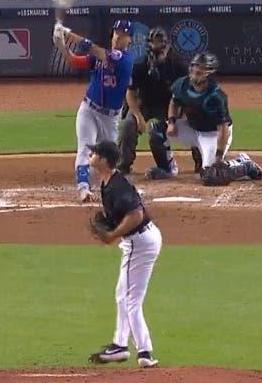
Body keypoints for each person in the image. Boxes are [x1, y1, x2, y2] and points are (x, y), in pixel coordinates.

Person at [84, 140, 162, 369]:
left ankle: (142, 351)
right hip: (140, 241)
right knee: (123, 295)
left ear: (106, 160)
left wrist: (113, 235)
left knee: (130, 300)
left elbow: (137, 214)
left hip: (139, 242)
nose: (92, 154)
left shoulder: (118, 186)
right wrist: (109, 227)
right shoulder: (108, 183)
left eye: (96, 152)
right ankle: (122, 345)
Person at [147, 52, 262, 186]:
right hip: (192, 128)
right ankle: (167, 169)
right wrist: (172, 123)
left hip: (213, 135)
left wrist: (219, 157)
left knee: (211, 176)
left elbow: (223, 129)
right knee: (156, 130)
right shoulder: (182, 84)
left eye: (201, 68)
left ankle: (244, 164)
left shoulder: (216, 96)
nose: (196, 70)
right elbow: (174, 102)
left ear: (209, 72)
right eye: (195, 66)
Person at [53, 20, 135, 203]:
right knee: (85, 148)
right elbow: (74, 61)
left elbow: (94, 50)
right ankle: (83, 189)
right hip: (89, 109)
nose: (118, 36)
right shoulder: (102, 55)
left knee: (109, 158)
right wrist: (62, 46)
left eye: (123, 34)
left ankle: (111, 187)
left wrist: (68, 34)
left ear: (129, 39)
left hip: (110, 118)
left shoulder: (125, 60)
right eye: (116, 32)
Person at [118, 27, 189, 177]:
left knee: (192, 119)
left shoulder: (179, 65)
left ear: (167, 46)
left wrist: (173, 120)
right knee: (129, 125)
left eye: (160, 47)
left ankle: (201, 163)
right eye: (153, 45)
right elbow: (130, 92)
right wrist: (138, 116)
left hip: (171, 105)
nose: (156, 54)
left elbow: (184, 97)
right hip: (146, 104)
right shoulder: (140, 65)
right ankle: (123, 165)